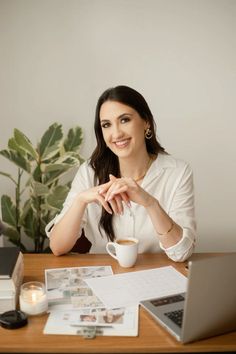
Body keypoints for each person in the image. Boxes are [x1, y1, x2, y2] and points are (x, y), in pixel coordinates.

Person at [46, 85, 196, 262]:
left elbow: (182, 253)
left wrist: (150, 203)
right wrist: (81, 200)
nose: (116, 133)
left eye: (124, 120)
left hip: (158, 279)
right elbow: (57, 247)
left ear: (146, 122)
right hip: (103, 279)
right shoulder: (89, 172)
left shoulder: (178, 172)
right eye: (107, 125)